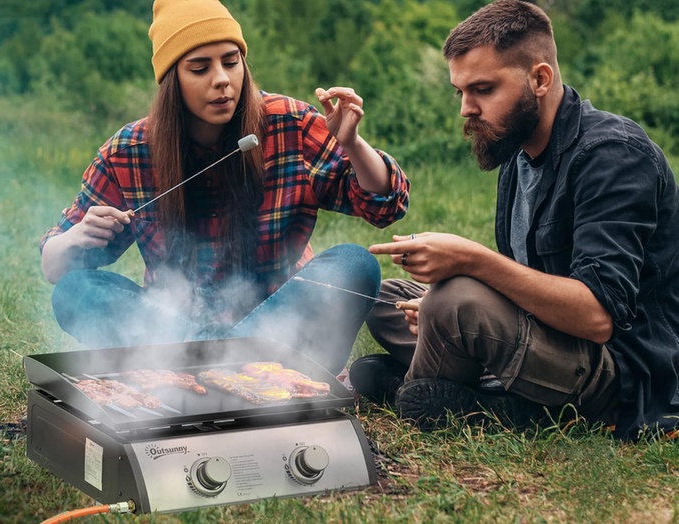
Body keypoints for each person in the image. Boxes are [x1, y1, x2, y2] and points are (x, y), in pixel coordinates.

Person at [351, 0, 679, 440]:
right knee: (386, 297)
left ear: (540, 79)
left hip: (619, 369)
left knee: (454, 303)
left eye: (483, 89)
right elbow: (527, 284)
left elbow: (598, 317)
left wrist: (472, 263)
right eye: (461, 92)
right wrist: (439, 300)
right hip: (549, 335)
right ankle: (482, 392)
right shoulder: (518, 156)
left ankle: (455, 399)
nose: (466, 108)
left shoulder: (615, 157)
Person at [39, 0, 410, 375]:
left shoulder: (289, 122)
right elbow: (55, 266)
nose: (222, 79)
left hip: (278, 329)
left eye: (231, 62)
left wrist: (354, 145)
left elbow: (386, 206)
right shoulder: (130, 150)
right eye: (200, 68)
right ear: (171, 80)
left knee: (354, 264)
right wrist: (78, 237)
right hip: (172, 331)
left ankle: (206, 369)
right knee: (75, 291)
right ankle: (224, 368)